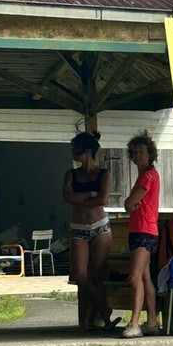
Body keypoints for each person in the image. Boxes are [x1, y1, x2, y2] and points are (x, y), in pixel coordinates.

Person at [62, 131, 118, 330]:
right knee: (79, 274)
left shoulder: (104, 173)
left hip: (100, 226)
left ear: (87, 151)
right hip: (78, 228)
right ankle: (104, 309)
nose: (73, 153)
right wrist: (88, 194)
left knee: (97, 276)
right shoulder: (72, 174)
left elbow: (103, 200)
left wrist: (80, 199)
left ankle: (93, 319)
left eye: (75, 149)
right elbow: (66, 197)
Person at [122, 130, 161, 338]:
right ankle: (152, 322)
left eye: (141, 152)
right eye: (134, 152)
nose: (137, 156)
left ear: (150, 154)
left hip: (144, 229)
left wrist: (129, 203)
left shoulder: (148, 175)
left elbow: (129, 203)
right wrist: (130, 204)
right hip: (142, 228)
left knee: (134, 277)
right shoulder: (145, 174)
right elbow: (130, 204)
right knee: (145, 277)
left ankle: (134, 323)